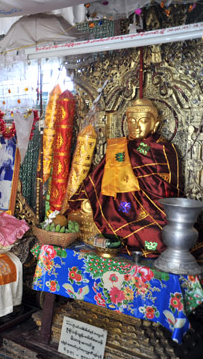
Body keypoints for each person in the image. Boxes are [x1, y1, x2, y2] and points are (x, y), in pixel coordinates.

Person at [67, 98, 182, 257]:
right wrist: (84, 197)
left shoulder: (163, 149)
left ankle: (118, 233)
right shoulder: (119, 146)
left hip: (151, 209)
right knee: (85, 209)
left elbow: (165, 190)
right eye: (131, 121)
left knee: (160, 231)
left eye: (142, 121)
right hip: (115, 204)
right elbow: (97, 177)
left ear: (155, 124)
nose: (136, 126)